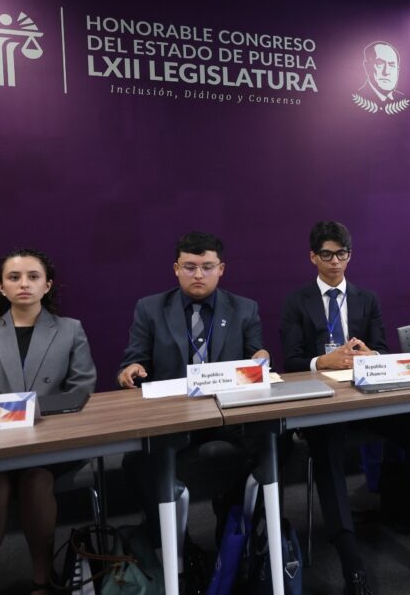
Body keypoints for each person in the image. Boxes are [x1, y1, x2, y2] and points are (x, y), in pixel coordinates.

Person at [280, 222, 410, 595]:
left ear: (349, 256)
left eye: (341, 254)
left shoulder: (365, 298)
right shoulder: (296, 301)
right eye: (326, 254)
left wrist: (372, 355)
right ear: (313, 257)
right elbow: (291, 361)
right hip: (323, 405)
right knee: (326, 446)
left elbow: (383, 349)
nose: (335, 261)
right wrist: (322, 361)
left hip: (368, 397)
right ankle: (352, 566)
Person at [116, 232, 270, 570]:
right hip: (174, 414)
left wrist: (260, 356)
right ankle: (176, 546)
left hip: (226, 412)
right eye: (189, 267)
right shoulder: (150, 308)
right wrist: (131, 369)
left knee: (273, 441)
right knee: (138, 462)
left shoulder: (244, 308)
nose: (198, 274)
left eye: (207, 267)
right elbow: (134, 358)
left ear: (221, 269)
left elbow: (254, 354)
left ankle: (237, 530)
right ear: (176, 268)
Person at [0, 248, 97, 595]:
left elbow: (81, 390)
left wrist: (32, 417)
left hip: (49, 444)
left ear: (47, 285)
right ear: (1, 287)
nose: (24, 284)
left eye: (33, 276)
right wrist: (2, 418)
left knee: (36, 480)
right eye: (14, 277)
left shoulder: (70, 330)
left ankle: (42, 581)